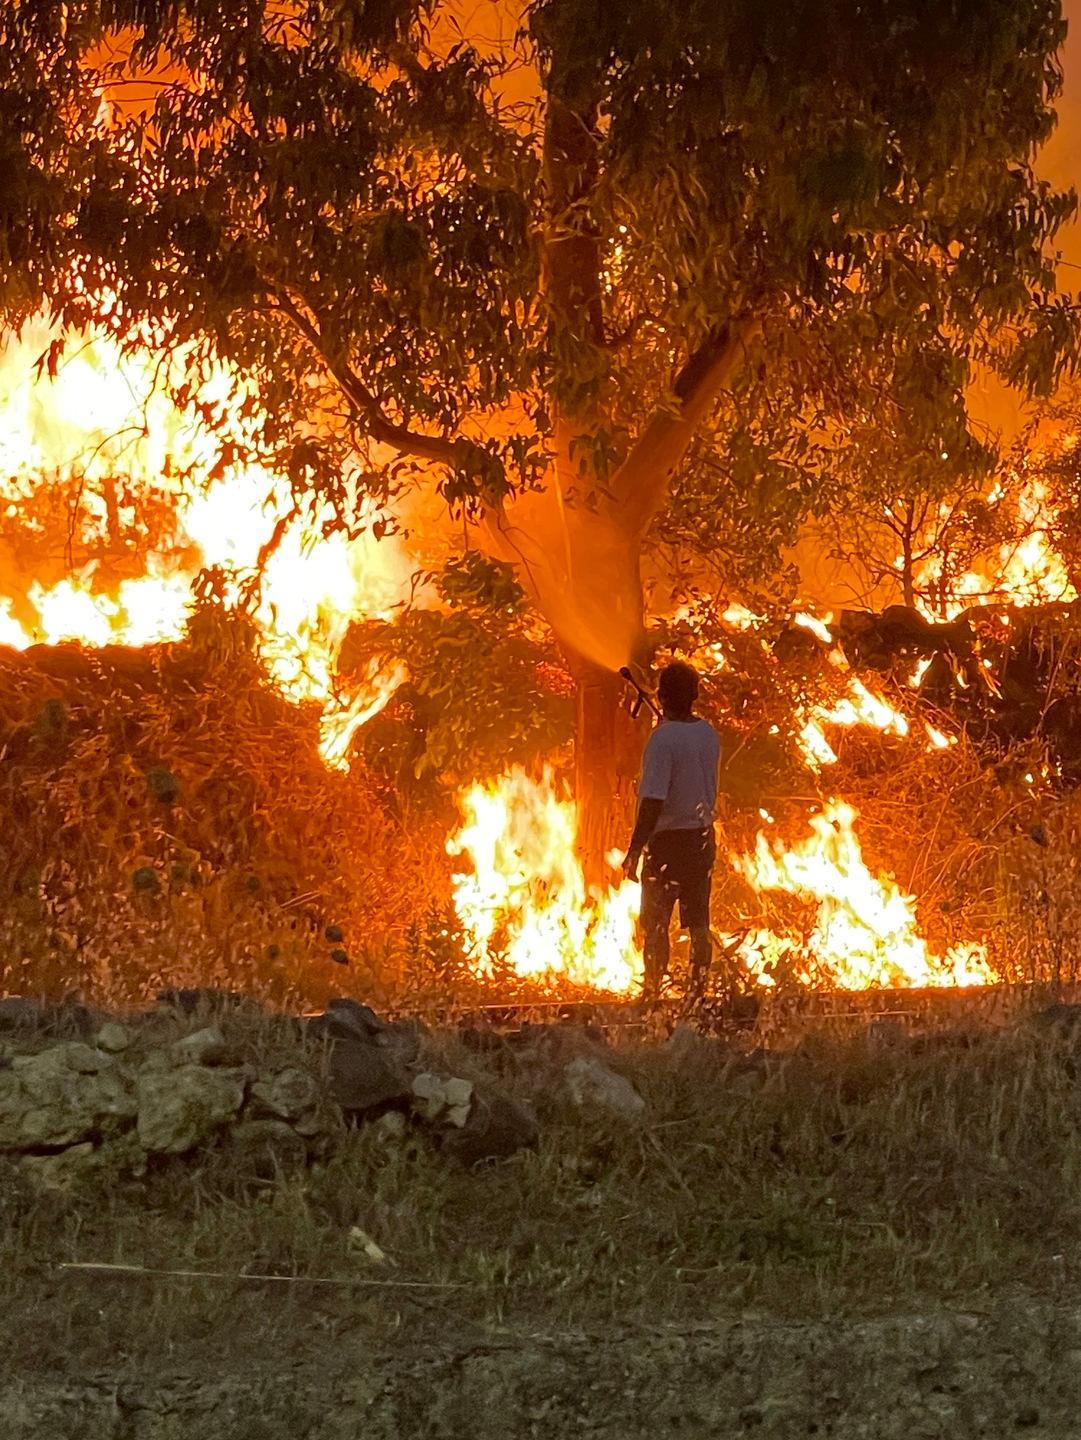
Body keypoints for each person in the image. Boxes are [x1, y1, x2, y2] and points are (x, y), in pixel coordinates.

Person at [622, 661, 720, 1000]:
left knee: (656, 923)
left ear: (662, 696)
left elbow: (653, 799)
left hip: (668, 841)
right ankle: (699, 992)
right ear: (694, 695)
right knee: (699, 923)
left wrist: (635, 848)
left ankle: (653, 992)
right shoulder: (707, 734)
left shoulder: (662, 739)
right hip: (702, 837)